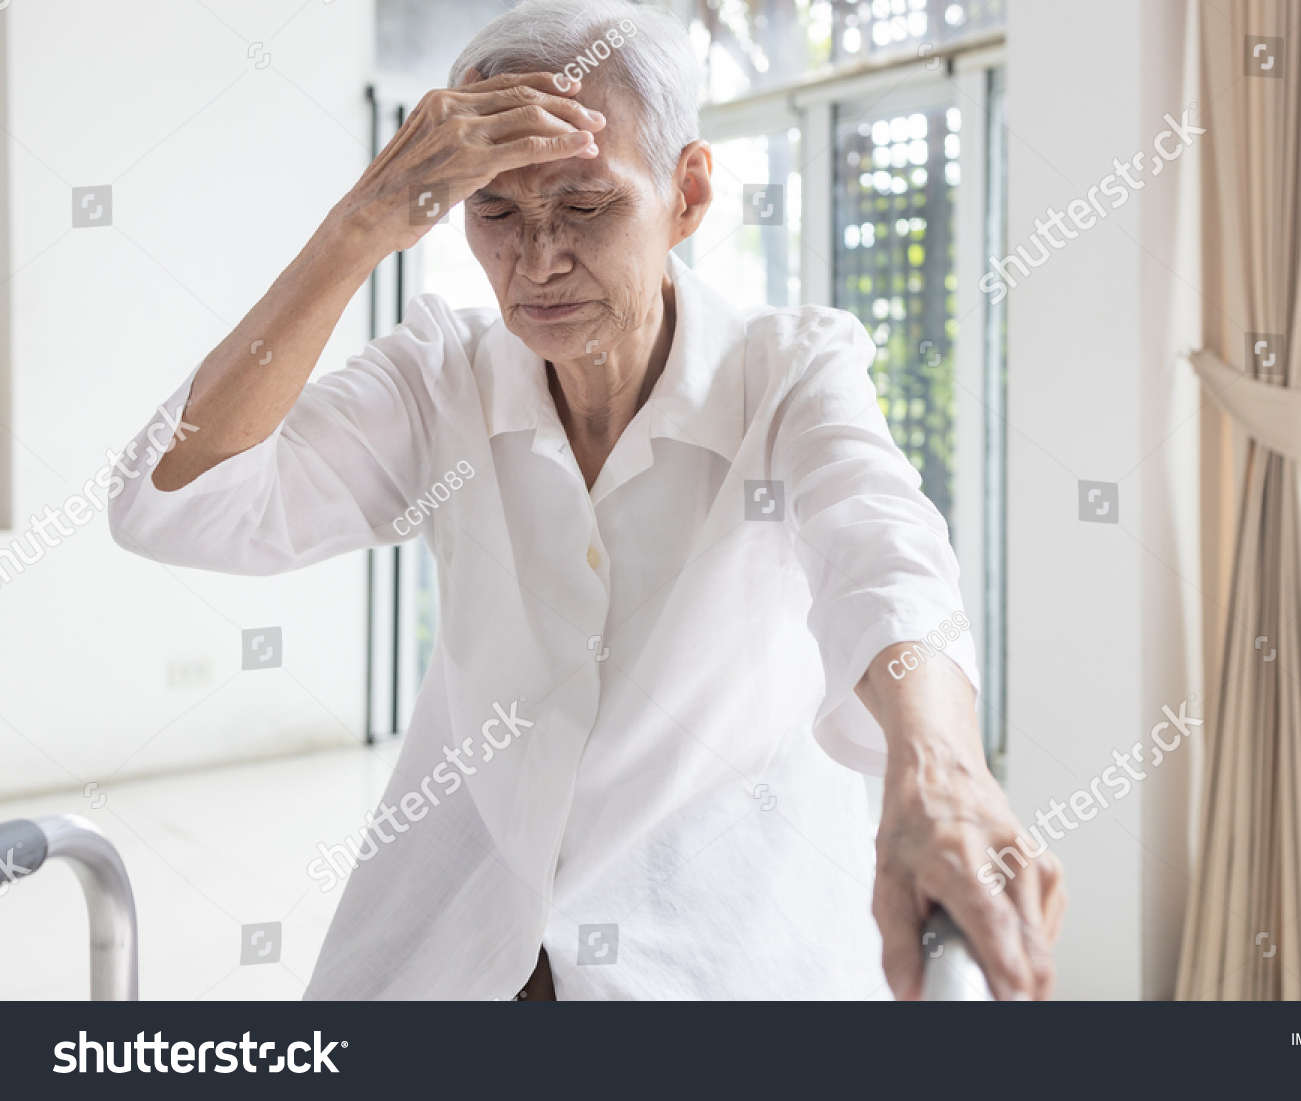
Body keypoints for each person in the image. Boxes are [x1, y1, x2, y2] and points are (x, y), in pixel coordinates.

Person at [109, 0, 1064, 1000]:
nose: (537, 262)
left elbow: (886, 560)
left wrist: (941, 768)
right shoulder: (443, 376)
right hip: (450, 957)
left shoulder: (786, 375)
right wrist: (356, 230)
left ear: (687, 194)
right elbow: (174, 500)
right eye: (497, 213)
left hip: (719, 965)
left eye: (586, 205)